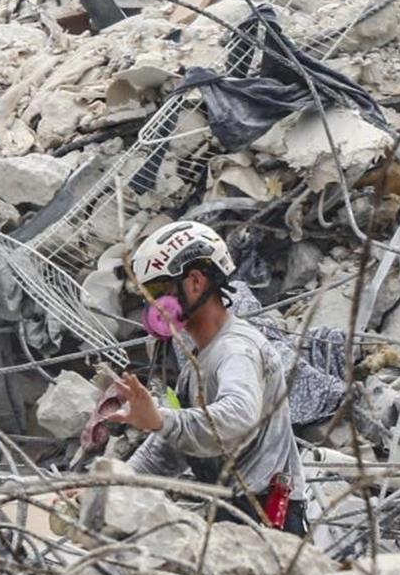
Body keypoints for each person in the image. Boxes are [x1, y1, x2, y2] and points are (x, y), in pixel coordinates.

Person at [107, 220, 308, 537]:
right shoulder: (196, 359)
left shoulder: (236, 351)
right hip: (231, 512)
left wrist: (160, 419)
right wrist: (109, 488)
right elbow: (169, 449)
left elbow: (239, 414)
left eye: (159, 291)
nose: (152, 307)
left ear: (196, 282)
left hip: (267, 518)